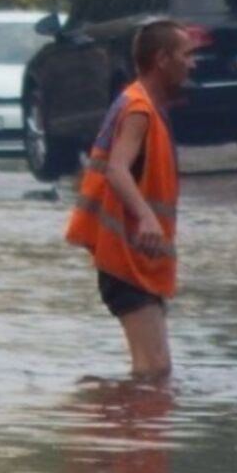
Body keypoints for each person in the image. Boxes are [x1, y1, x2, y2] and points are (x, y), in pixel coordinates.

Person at [66, 20, 195, 379]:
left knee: (155, 370)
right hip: (125, 262)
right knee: (153, 371)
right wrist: (147, 218)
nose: (193, 63)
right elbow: (117, 169)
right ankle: (115, 422)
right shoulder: (139, 110)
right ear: (162, 59)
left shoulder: (145, 105)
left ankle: (118, 418)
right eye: (187, 55)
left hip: (135, 260)